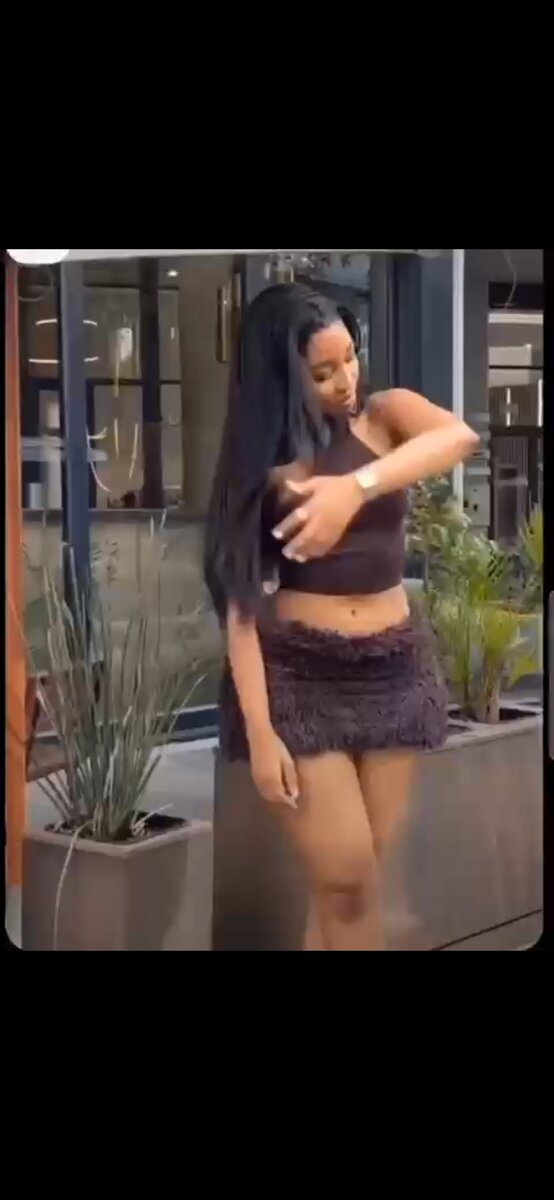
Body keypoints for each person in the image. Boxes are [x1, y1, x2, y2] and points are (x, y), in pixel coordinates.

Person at [205, 283, 479, 952]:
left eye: (350, 358)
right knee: (347, 882)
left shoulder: (384, 415)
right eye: (323, 371)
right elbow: (241, 604)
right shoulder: (260, 464)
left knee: (350, 886)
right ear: (282, 376)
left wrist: (356, 488)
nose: (346, 380)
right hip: (300, 675)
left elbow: (459, 437)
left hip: (394, 667)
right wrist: (261, 734)